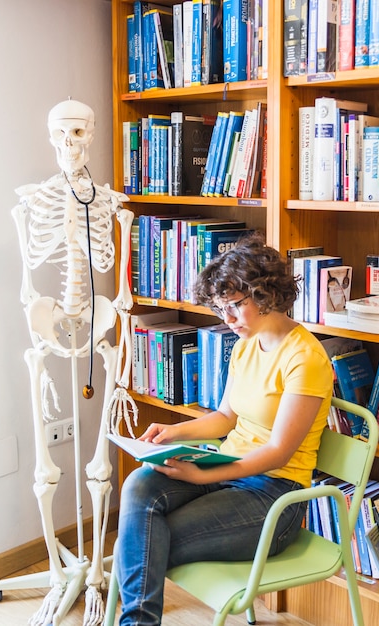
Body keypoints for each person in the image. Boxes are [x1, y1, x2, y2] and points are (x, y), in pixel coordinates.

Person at [116, 232, 333, 626]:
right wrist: (171, 434)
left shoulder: (306, 359)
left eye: (233, 306)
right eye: (219, 309)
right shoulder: (246, 345)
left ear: (266, 293)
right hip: (227, 468)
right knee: (139, 486)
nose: (227, 320)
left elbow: (279, 452)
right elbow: (225, 418)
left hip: (275, 494)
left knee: (146, 541)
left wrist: (205, 472)